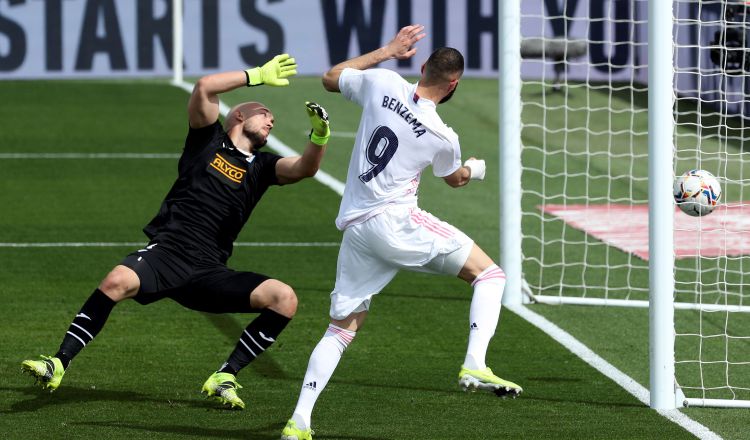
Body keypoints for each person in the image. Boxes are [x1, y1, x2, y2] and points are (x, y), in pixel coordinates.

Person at [21, 54, 332, 410]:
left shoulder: (263, 167)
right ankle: (58, 362)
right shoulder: (207, 141)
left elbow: (305, 168)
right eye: (265, 114)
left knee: (284, 298)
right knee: (116, 281)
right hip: (167, 254)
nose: (271, 121)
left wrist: (320, 134)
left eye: (273, 120)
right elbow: (205, 87)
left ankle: (225, 375)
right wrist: (256, 75)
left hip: (209, 271)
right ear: (239, 116)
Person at [280, 26, 523, 439]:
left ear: (423, 66)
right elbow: (454, 179)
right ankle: (474, 362)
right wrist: (477, 169)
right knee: (490, 275)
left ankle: (299, 421)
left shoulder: (382, 81)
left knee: (340, 329)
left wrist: (389, 51)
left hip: (357, 229)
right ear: (454, 85)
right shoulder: (443, 135)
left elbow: (331, 76)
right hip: (396, 222)